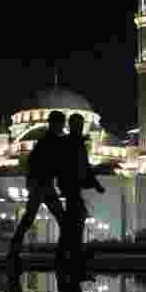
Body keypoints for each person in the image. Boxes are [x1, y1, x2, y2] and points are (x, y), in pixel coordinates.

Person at [8, 111, 68, 258]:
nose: (62, 127)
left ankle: (14, 249)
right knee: (35, 217)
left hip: (43, 185)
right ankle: (15, 249)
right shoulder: (49, 140)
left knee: (52, 218)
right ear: (55, 124)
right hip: (41, 186)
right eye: (61, 124)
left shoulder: (48, 139)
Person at [56, 113, 105, 274]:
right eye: (78, 124)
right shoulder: (73, 142)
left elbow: (83, 166)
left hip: (70, 186)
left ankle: (68, 255)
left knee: (73, 219)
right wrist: (95, 184)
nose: (79, 127)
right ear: (72, 125)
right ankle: (73, 257)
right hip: (71, 186)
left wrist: (94, 183)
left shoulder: (73, 142)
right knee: (76, 218)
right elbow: (82, 166)